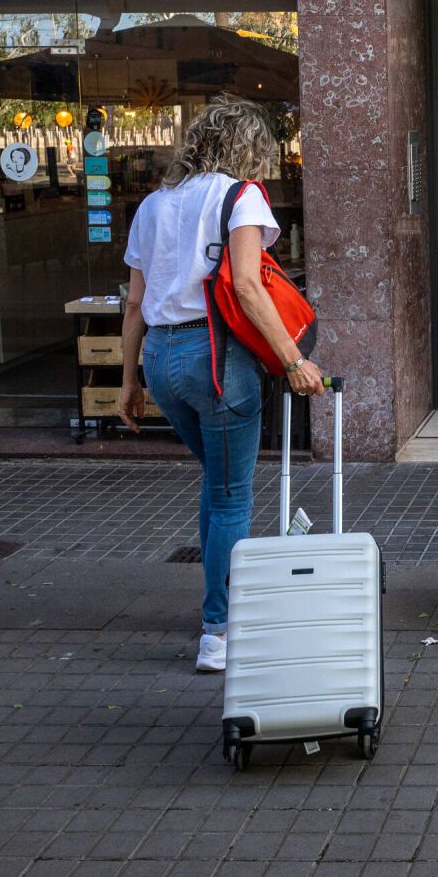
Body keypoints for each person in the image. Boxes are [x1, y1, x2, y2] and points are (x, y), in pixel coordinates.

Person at [118, 95, 325, 675]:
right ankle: (219, 630)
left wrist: (128, 381)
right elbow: (248, 288)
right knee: (232, 494)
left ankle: (220, 612)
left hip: (161, 357)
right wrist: (293, 361)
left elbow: (133, 303)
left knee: (216, 481)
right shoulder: (241, 196)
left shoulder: (153, 205)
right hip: (214, 358)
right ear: (248, 148)